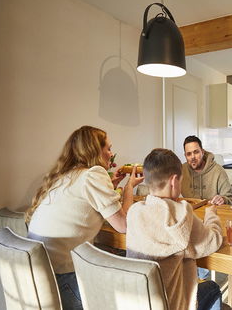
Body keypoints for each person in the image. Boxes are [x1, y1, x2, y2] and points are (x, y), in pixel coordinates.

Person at [26, 126, 144, 310]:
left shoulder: (65, 175)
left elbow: (83, 205)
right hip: (64, 280)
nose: (111, 154)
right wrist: (129, 189)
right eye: (108, 148)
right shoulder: (94, 174)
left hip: (40, 279)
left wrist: (112, 185)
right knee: (136, 285)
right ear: (96, 150)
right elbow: (123, 225)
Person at [126, 148, 223, 310]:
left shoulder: (134, 212)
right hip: (172, 304)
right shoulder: (181, 214)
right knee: (212, 287)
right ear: (174, 181)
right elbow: (212, 241)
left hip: (140, 303)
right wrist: (211, 215)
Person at [181, 135, 232, 205]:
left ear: (202, 152)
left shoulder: (218, 171)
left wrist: (223, 199)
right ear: (185, 156)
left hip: (212, 213)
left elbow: (231, 199)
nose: (193, 157)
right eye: (189, 154)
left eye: (196, 152)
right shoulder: (181, 171)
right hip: (190, 214)